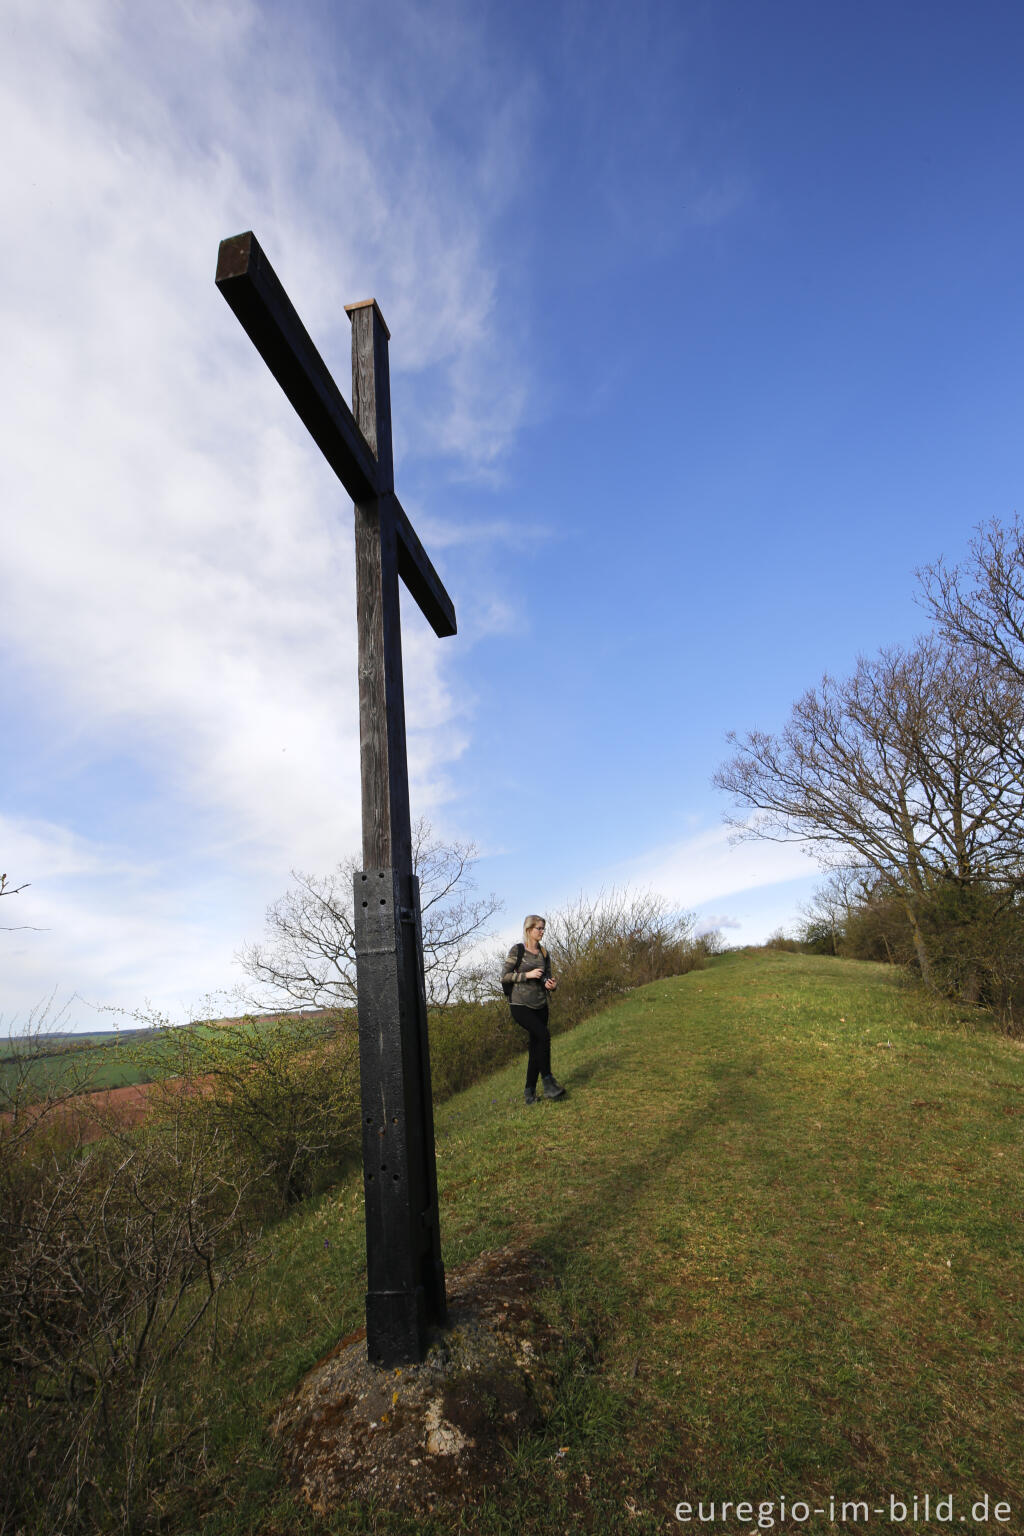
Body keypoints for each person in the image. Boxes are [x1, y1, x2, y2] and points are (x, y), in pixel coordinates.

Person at [503, 915, 566, 1104]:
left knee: (536, 1047)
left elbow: (548, 977)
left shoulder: (544, 953)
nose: (542, 932)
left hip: (540, 1004)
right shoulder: (518, 950)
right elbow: (504, 976)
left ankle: (529, 1093)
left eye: (543, 928)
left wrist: (552, 985)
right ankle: (548, 1082)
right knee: (544, 1036)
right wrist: (527, 975)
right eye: (539, 928)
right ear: (529, 930)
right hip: (520, 1005)